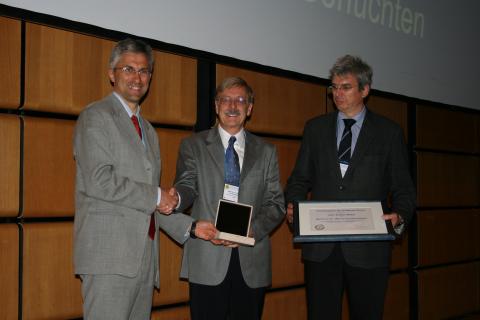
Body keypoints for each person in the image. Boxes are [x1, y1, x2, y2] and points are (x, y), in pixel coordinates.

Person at [285, 55, 415, 319]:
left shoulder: (388, 132)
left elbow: (404, 188)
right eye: (334, 87)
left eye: (346, 87)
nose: (337, 93)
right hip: (321, 249)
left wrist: (399, 215)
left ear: (365, 90)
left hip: (369, 250)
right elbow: (299, 179)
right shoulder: (315, 128)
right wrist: (294, 207)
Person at [159, 77, 285, 320]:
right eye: (225, 100)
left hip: (251, 256)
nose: (232, 106)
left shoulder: (267, 151)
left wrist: (253, 230)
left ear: (249, 108)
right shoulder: (193, 145)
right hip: (208, 253)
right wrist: (176, 199)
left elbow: (276, 203)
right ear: (216, 106)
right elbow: (187, 185)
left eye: (240, 100)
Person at [73, 38, 178, 320]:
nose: (137, 78)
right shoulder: (95, 116)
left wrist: (192, 229)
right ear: (112, 74)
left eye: (144, 71)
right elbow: (99, 180)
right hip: (109, 258)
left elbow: (153, 203)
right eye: (128, 69)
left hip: (144, 259)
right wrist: (157, 195)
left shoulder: (149, 131)